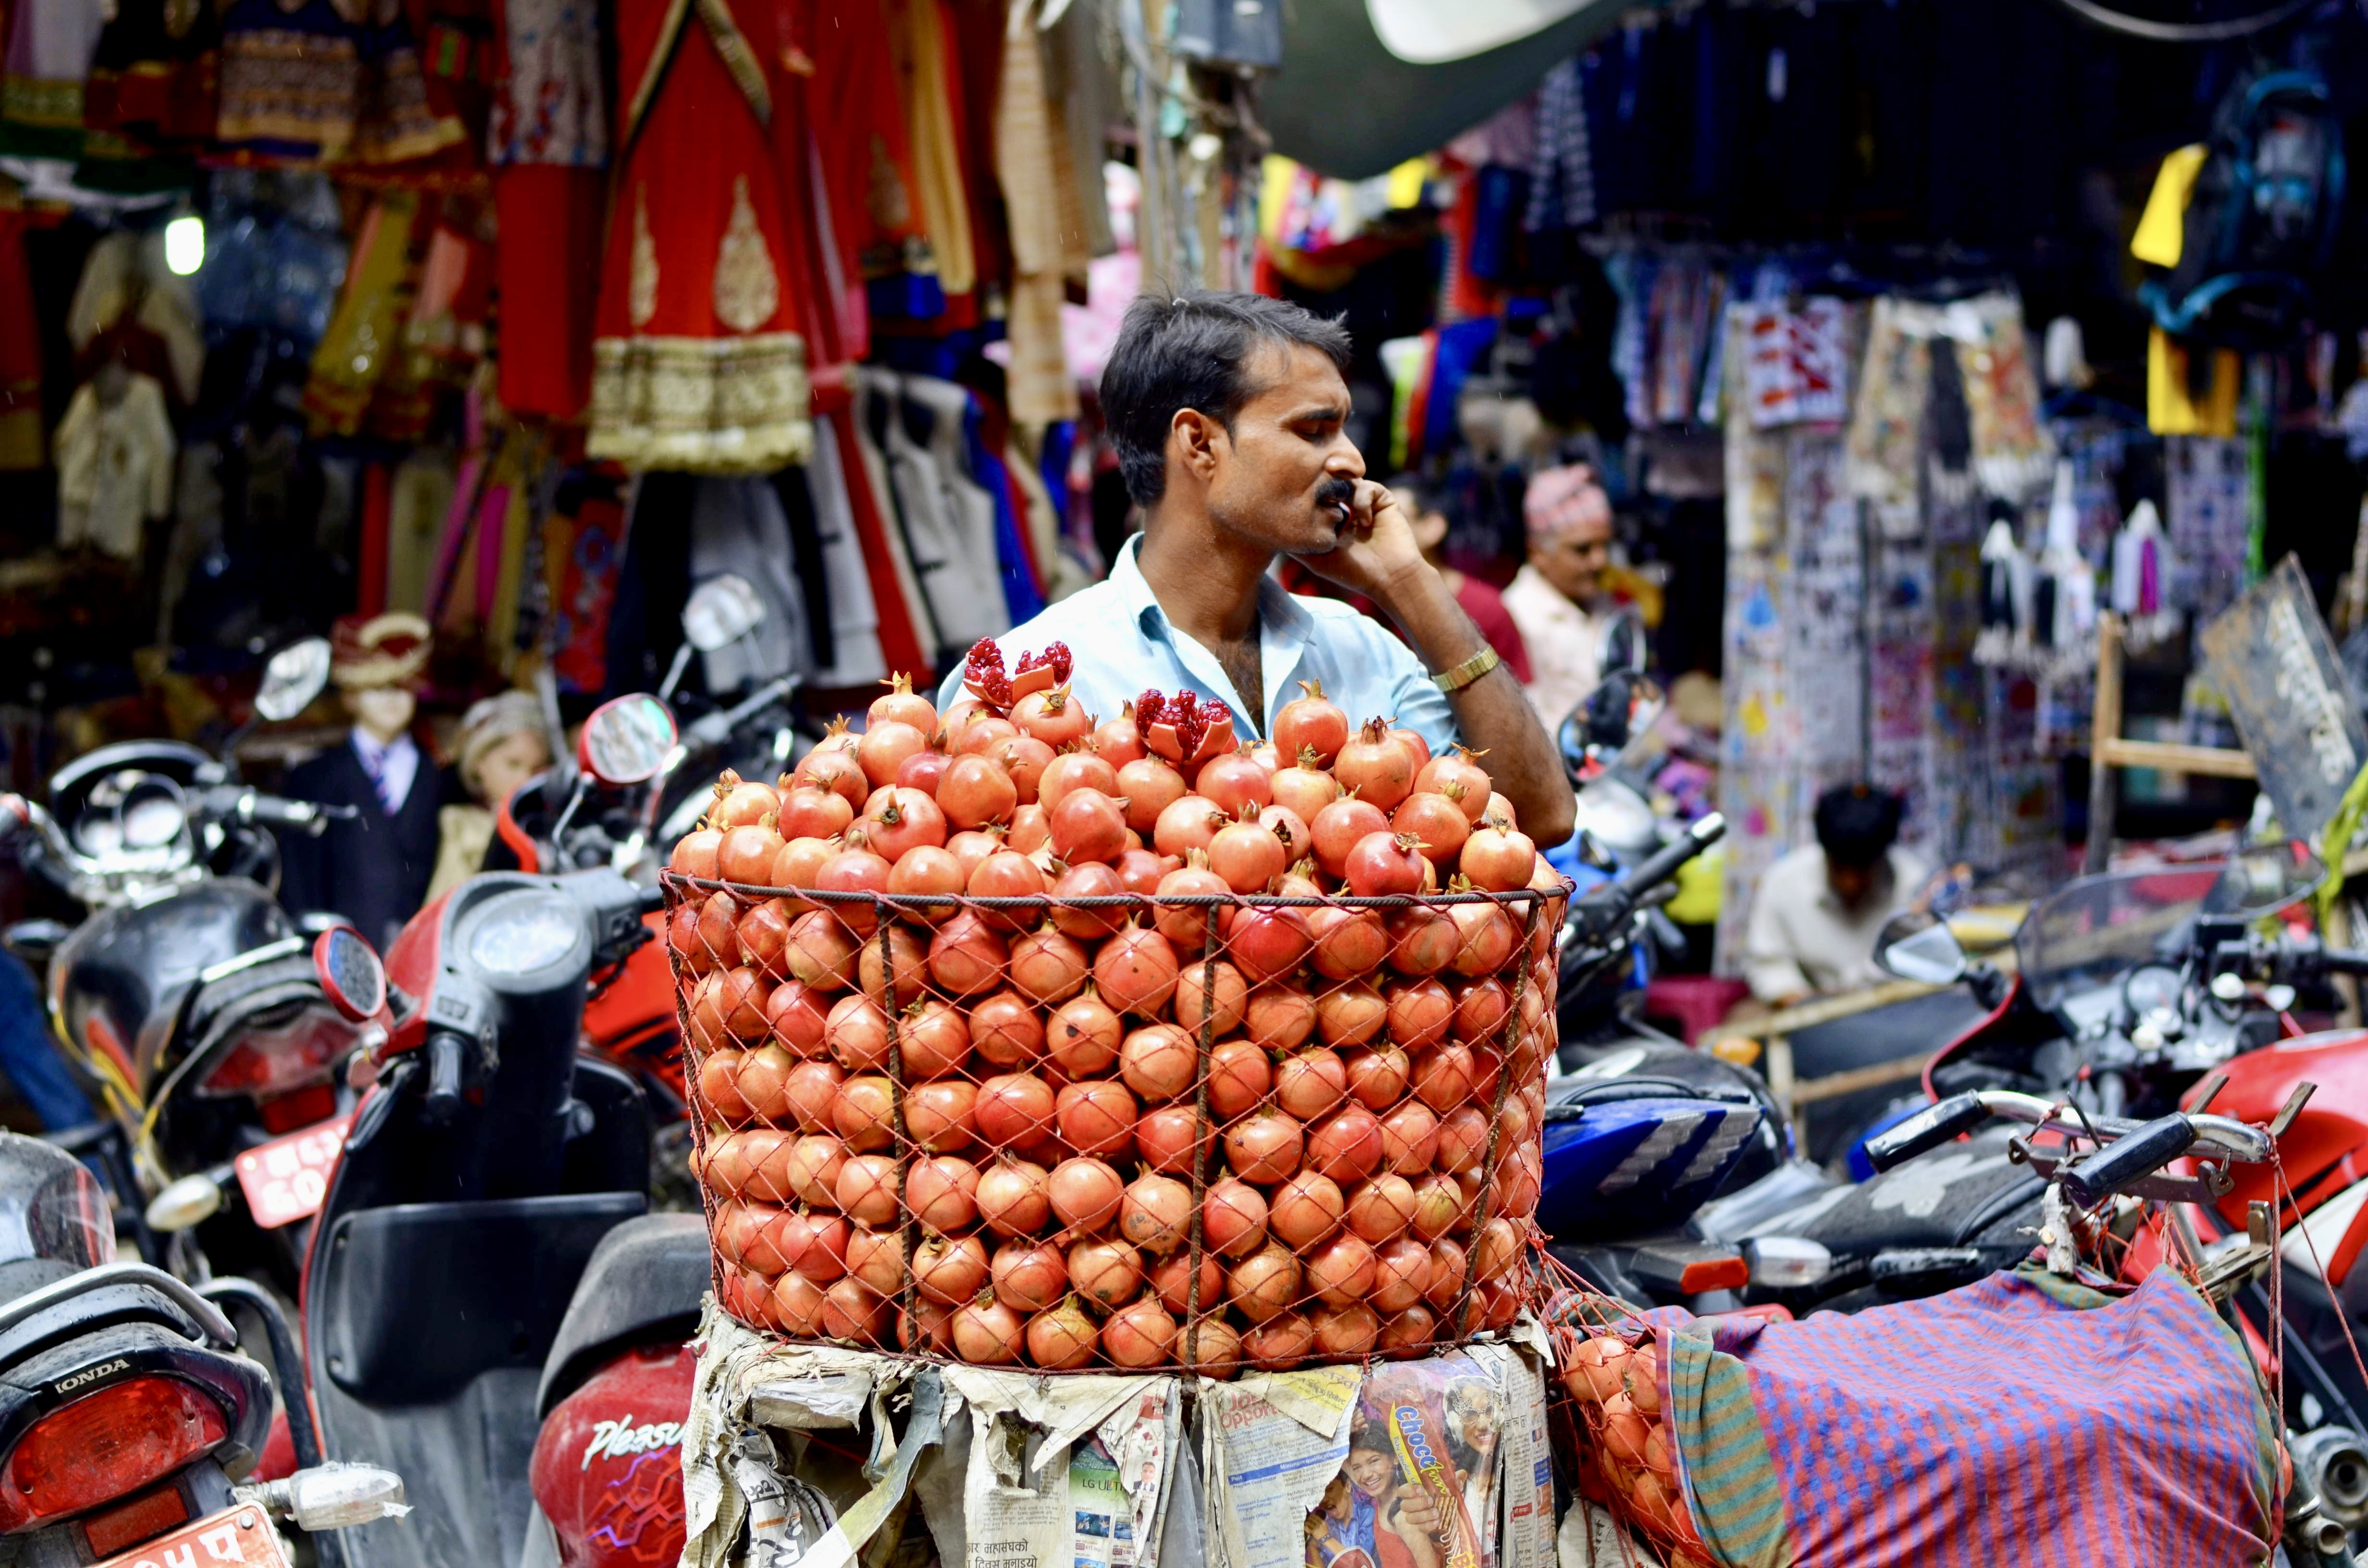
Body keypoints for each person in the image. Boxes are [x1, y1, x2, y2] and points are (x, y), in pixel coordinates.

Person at [937, 292, 1573, 847]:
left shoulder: (1363, 650)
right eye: (1315, 430)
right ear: (1200, 444)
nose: (1351, 459)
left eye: (1344, 429)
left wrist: (1410, 581)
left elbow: (1540, 819)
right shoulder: (1028, 681)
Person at [278, 613, 456, 951]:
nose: (392, 698)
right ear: (350, 696)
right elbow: (300, 881)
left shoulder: (441, 776)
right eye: (377, 687)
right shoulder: (314, 778)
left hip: (423, 953)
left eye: (403, 686)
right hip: (341, 955)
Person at [1742, 783, 1930, 1007]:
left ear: (1883, 858)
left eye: (1862, 870)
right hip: (1808, 1015)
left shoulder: (1916, 886)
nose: (1850, 884)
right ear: (1824, 853)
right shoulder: (1784, 882)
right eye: (1840, 867)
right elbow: (1769, 964)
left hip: (1895, 1014)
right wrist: (1799, 1001)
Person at [1501, 463, 1617, 734]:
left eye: (1605, 546)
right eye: (1582, 550)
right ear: (1538, 552)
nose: (1600, 561)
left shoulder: (1601, 603)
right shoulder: (1517, 617)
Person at [427, 689, 556, 902]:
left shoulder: (548, 825)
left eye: (536, 769)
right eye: (513, 764)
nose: (524, 779)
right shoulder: (458, 825)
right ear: (480, 761)